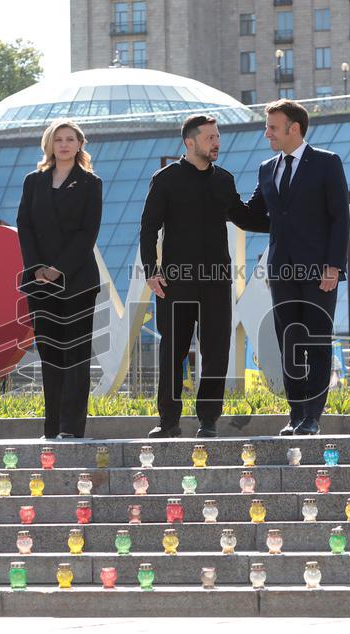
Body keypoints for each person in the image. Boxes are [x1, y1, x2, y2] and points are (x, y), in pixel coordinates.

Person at [140, 115, 263, 438]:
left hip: (216, 281)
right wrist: (151, 271)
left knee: (216, 351)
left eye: (217, 137)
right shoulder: (165, 179)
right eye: (210, 137)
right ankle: (168, 422)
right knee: (173, 352)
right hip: (175, 282)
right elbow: (149, 227)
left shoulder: (223, 179)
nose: (216, 142)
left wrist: (281, 218)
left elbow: (243, 217)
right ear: (190, 142)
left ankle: (208, 420)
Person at [244, 99, 350, 436]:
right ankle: (296, 414)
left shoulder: (327, 163)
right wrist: (219, 199)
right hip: (281, 272)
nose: (267, 134)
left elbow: (340, 218)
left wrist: (334, 267)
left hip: (319, 271)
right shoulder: (266, 168)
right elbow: (254, 215)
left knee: (316, 343)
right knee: (289, 344)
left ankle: (312, 417)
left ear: (294, 128)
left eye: (272, 128)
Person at [16, 120, 102, 439]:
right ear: (49, 144)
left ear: (80, 144)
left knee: (75, 355)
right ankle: (52, 429)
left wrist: (58, 269)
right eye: (58, 139)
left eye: (70, 139)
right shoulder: (33, 181)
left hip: (77, 281)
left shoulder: (90, 183)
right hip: (39, 283)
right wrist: (37, 268)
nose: (64, 144)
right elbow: (24, 226)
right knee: (50, 355)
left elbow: (87, 232)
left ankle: (71, 428)